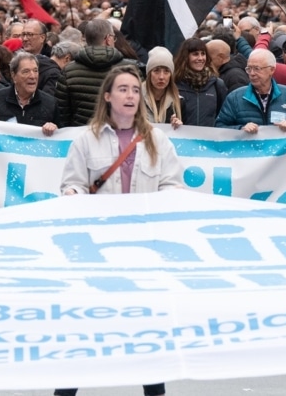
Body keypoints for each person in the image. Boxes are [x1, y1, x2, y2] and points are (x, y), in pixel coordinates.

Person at [55, 66, 182, 396]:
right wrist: (73, 195)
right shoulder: (87, 139)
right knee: (84, 329)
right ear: (108, 96)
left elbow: (172, 184)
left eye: (134, 91)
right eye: (123, 90)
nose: (130, 95)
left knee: (147, 330)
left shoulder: (157, 139)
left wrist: (160, 205)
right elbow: (73, 183)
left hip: (143, 248)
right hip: (98, 249)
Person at [55, 19, 129, 127]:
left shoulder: (68, 71)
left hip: (79, 135)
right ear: (108, 39)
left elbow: (62, 113)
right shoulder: (128, 69)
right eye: (114, 37)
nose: (114, 40)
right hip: (118, 135)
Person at [216, 48, 286, 132]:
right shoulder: (235, 97)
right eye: (249, 69)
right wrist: (241, 129)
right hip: (248, 150)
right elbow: (220, 127)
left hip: (280, 150)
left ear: (272, 70)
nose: (252, 73)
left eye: (257, 69)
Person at [0, 53, 59, 134]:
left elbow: (62, 136)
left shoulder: (50, 103)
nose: (33, 76)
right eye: (26, 71)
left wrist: (55, 128)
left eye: (35, 71)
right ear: (13, 76)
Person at [174, 37, 229, 128]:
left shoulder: (217, 85)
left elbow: (223, 116)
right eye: (195, 54)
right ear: (185, 57)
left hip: (208, 140)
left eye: (203, 54)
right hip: (181, 140)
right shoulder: (175, 84)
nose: (200, 58)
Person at [142, 46, 182, 127]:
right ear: (149, 74)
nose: (161, 77)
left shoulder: (178, 102)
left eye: (166, 71)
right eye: (156, 70)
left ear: (171, 75)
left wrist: (178, 126)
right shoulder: (136, 99)